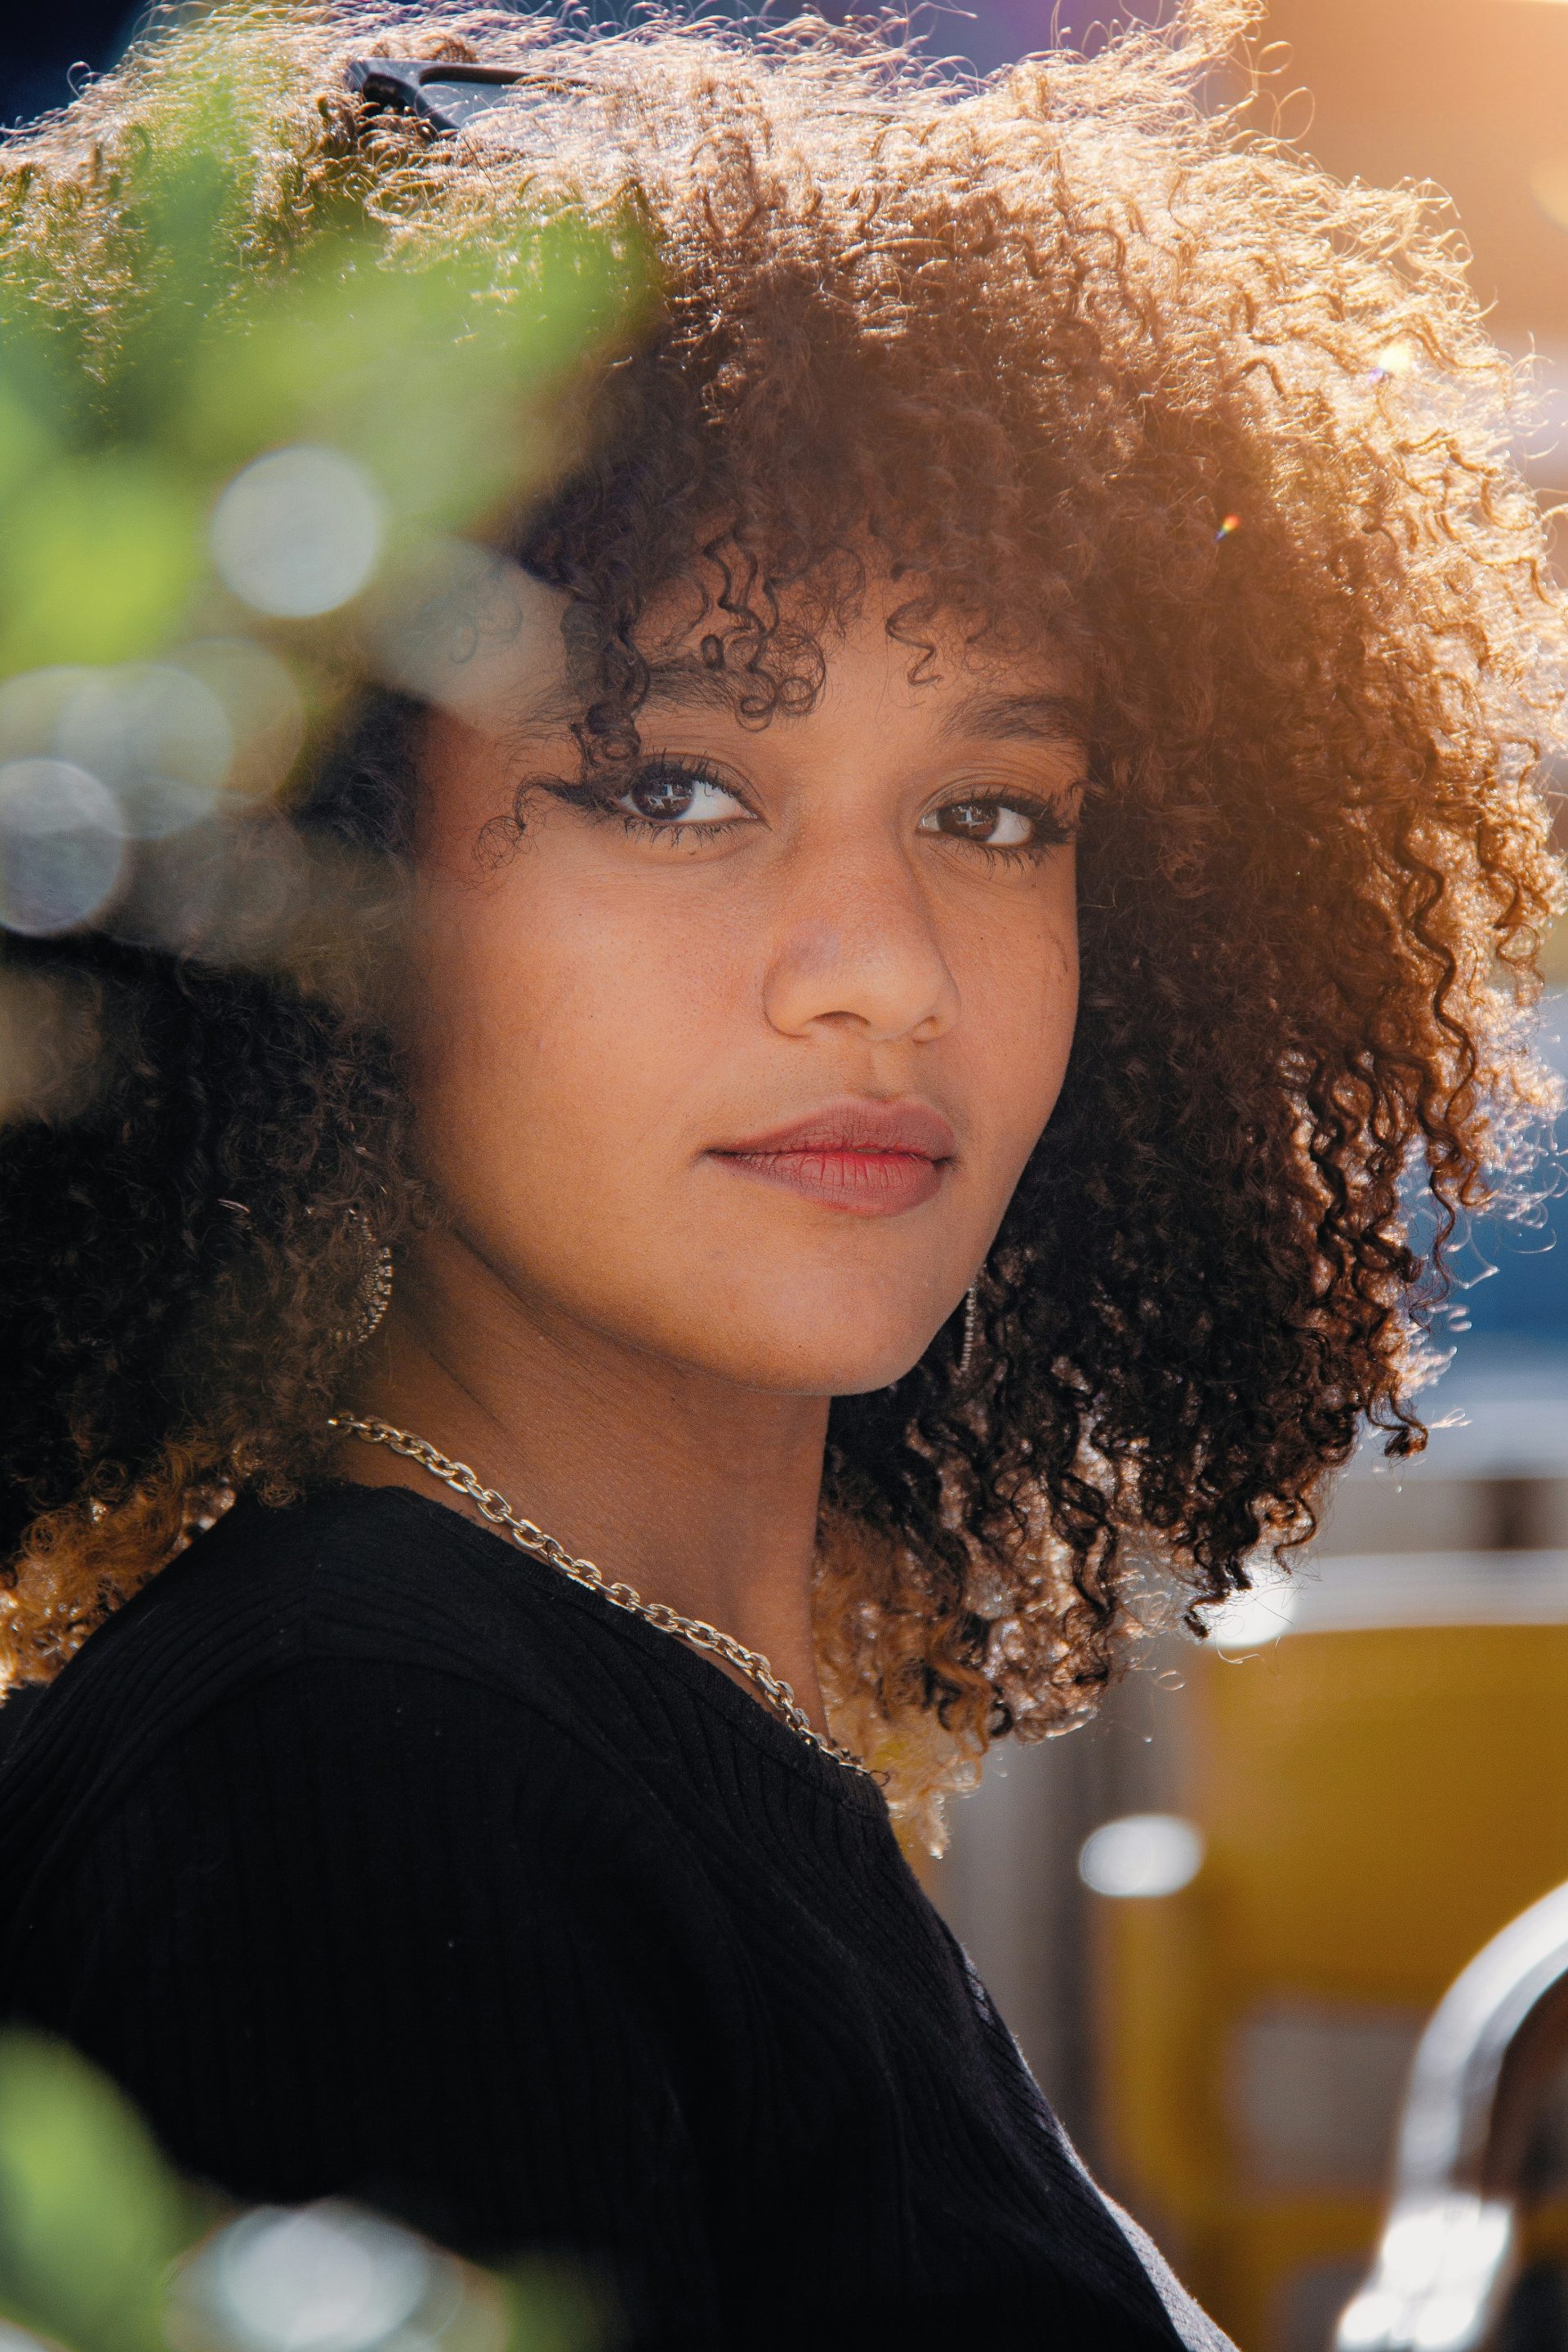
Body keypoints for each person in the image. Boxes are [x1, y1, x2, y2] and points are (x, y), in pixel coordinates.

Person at [0, 4, 1559, 2345]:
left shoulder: (616, 1709)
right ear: (306, 867)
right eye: (673, 787)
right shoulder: (350, 1799)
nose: (884, 974)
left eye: (995, 811)